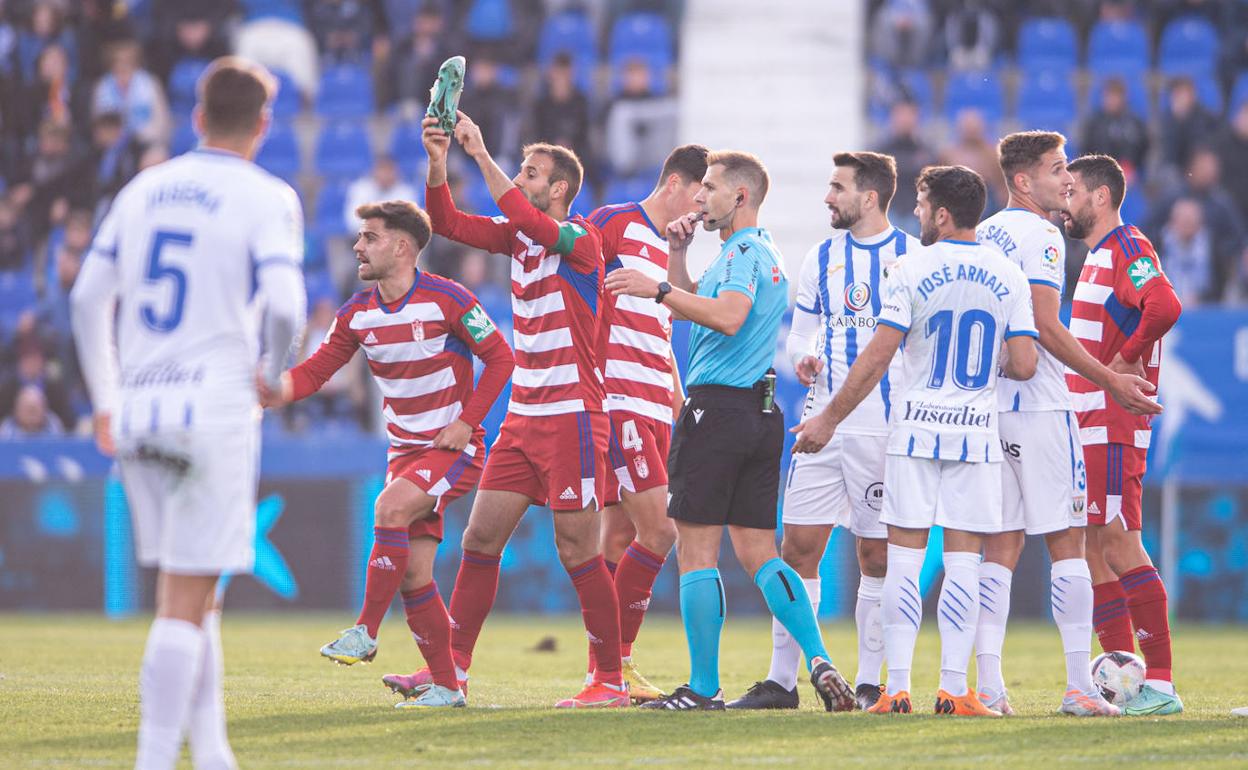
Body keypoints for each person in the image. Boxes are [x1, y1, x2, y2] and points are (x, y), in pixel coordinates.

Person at [69, 57, 306, 769]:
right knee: (184, 599)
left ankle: (212, 752)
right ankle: (152, 758)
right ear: (262, 125)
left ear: (196, 118)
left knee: (195, 588)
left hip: (139, 408)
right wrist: (272, 373)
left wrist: (105, 400)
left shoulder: (144, 189)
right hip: (214, 406)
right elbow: (289, 305)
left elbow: (85, 298)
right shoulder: (266, 196)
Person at [607, 150, 856, 713]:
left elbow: (727, 316)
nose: (699, 197)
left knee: (697, 552)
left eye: (711, 188)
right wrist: (675, 259)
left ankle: (702, 689)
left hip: (716, 411)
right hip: (760, 412)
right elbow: (702, 305)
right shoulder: (755, 253)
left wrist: (658, 289)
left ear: (739, 197)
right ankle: (817, 657)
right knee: (761, 554)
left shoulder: (742, 252)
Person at [792, 164, 1039, 717]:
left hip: (914, 432)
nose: (918, 214)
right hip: (975, 436)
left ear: (943, 214)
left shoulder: (909, 268)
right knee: (964, 564)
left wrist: (828, 418)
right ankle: (954, 689)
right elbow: (1024, 363)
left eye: (923, 205)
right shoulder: (1009, 274)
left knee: (902, 561)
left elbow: (877, 356)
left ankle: (896, 689)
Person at [409, 111, 627, 709]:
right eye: (520, 170)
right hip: (524, 417)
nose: (521, 178)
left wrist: (480, 154)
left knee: (578, 549)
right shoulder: (520, 239)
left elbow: (526, 217)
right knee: (478, 539)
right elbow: (447, 222)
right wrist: (438, 161)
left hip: (575, 416)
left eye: (530, 172)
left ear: (558, 188)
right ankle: (451, 674)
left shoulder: (582, 240)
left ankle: (609, 679)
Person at [260, 200, 514, 708]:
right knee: (415, 574)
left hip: (453, 448)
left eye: (369, 237)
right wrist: (271, 391)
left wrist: (468, 423)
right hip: (405, 454)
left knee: (388, 508)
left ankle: (365, 631)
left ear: (401, 246)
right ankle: (447, 687)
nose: (358, 246)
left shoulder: (449, 299)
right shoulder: (356, 314)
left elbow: (501, 358)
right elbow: (315, 371)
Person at [975, 131, 1158, 718]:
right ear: (1024, 181)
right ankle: (1081, 685)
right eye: (1057, 170)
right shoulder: (1044, 235)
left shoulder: (983, 235)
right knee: (1068, 543)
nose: (1066, 181)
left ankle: (989, 687)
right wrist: (1110, 378)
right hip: (1044, 406)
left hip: (990, 409)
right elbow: (1047, 328)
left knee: (998, 546)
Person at [727, 151, 911, 712]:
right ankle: (783, 681)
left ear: (870, 197)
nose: (827, 197)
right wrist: (804, 356)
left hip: (883, 429)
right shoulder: (822, 256)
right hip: (821, 424)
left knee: (875, 556)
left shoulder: (911, 256)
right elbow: (801, 333)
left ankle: (870, 682)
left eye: (838, 188)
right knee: (798, 547)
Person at [581, 143, 708, 702]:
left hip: (656, 399)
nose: (704, 209)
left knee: (621, 536)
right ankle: (615, 664)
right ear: (677, 183)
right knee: (662, 531)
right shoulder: (613, 223)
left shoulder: (670, 253)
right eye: (702, 195)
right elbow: (573, 289)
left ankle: (604, 675)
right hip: (620, 399)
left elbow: (658, 327)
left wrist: (677, 391)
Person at [1062, 154, 1185, 716]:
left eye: (1074, 193)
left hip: (1112, 421)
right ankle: (1124, 683)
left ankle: (1159, 685)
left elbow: (1165, 304)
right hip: (1089, 419)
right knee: (1092, 551)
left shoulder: (1128, 247)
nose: (1067, 202)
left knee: (1118, 543)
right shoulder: (1096, 258)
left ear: (1102, 196)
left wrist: (1126, 361)